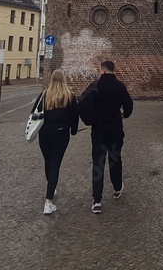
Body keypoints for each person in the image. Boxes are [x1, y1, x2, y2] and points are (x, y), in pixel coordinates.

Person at [81, 60, 134, 214]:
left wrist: (90, 120)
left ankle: (97, 201)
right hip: (116, 128)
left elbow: (82, 102)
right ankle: (117, 188)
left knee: (98, 163)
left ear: (102, 70)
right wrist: (124, 115)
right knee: (115, 159)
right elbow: (129, 105)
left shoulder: (95, 85)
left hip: (99, 130)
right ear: (113, 70)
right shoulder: (120, 86)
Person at [35, 69, 79, 215]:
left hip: (45, 133)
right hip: (61, 133)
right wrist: (73, 130)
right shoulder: (69, 96)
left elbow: (34, 112)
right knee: (55, 163)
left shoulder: (44, 95)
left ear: (52, 79)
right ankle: (48, 201)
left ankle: (51, 189)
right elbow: (75, 116)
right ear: (64, 79)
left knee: (48, 161)